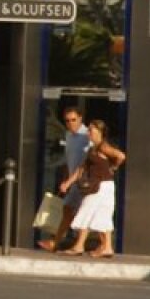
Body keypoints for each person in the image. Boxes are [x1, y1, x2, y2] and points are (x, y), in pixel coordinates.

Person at [58, 120, 126, 258]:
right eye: (88, 130)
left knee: (85, 212)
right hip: (101, 186)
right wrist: (68, 183)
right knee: (103, 216)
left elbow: (120, 156)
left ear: (99, 132)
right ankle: (107, 247)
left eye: (91, 130)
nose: (88, 133)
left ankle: (78, 246)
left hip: (101, 186)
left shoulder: (102, 146)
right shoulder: (92, 148)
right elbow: (81, 169)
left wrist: (114, 167)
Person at [38, 106, 90, 252]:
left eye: (73, 120)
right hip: (73, 181)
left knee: (82, 213)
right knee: (68, 210)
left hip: (84, 182)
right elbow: (70, 160)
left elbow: (84, 164)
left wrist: (69, 181)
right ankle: (58, 242)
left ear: (80, 118)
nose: (70, 123)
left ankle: (78, 244)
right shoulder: (68, 136)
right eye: (67, 121)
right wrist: (66, 178)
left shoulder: (87, 136)